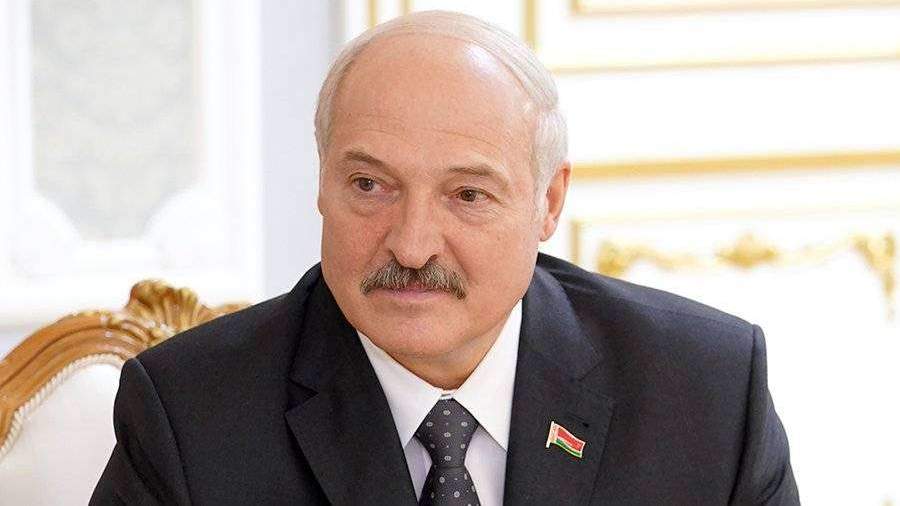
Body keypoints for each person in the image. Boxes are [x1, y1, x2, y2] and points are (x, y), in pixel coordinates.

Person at [90, 10, 799, 506]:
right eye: (370, 186)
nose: (412, 244)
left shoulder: (705, 389)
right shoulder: (192, 415)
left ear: (548, 202)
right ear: (322, 182)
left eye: (467, 195)